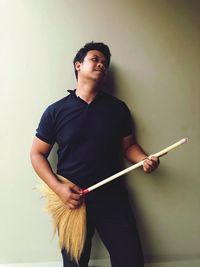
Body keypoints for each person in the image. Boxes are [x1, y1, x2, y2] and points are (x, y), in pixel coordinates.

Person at [30, 42, 160, 267]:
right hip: (72, 200)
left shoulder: (117, 109)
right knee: (74, 264)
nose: (101, 64)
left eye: (105, 63)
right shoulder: (55, 111)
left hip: (112, 197)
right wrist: (59, 189)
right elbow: (37, 154)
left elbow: (129, 146)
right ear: (78, 65)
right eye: (95, 59)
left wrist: (143, 159)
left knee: (130, 261)